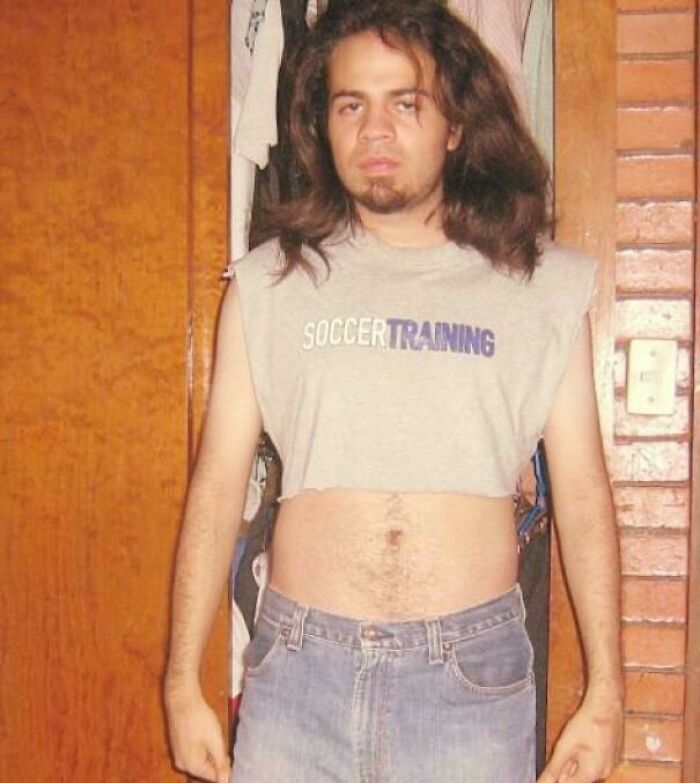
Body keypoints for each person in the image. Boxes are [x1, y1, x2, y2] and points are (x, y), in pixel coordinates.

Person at [164, 2, 623, 781]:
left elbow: (581, 490)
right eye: (352, 105)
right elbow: (215, 486)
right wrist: (181, 681)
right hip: (297, 681)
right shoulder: (271, 284)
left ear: (454, 124)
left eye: (405, 103)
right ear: (323, 124)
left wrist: (608, 690)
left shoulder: (541, 287)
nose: (375, 131)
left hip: (469, 688)